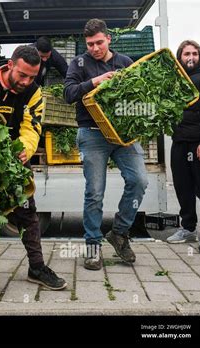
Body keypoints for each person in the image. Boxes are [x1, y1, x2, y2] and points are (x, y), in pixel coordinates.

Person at [0, 45, 68, 300]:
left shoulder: (33, 92)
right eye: (22, 75)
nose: (26, 81)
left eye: (32, 77)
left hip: (14, 161)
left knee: (27, 214)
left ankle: (36, 267)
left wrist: (26, 149)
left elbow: (32, 125)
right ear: (10, 65)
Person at [64, 19, 148, 270]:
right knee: (95, 193)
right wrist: (95, 81)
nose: (94, 48)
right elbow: (68, 94)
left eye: (99, 42)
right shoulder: (78, 64)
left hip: (123, 134)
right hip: (92, 134)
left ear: (109, 39)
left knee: (139, 180)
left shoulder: (125, 62)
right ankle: (92, 246)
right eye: (90, 44)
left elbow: (140, 94)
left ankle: (119, 232)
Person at [167, 40, 200, 253]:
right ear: (180, 57)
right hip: (179, 141)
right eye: (186, 54)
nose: (190, 57)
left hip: (199, 142)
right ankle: (187, 228)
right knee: (182, 185)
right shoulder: (176, 79)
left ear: (199, 55)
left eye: (194, 53)